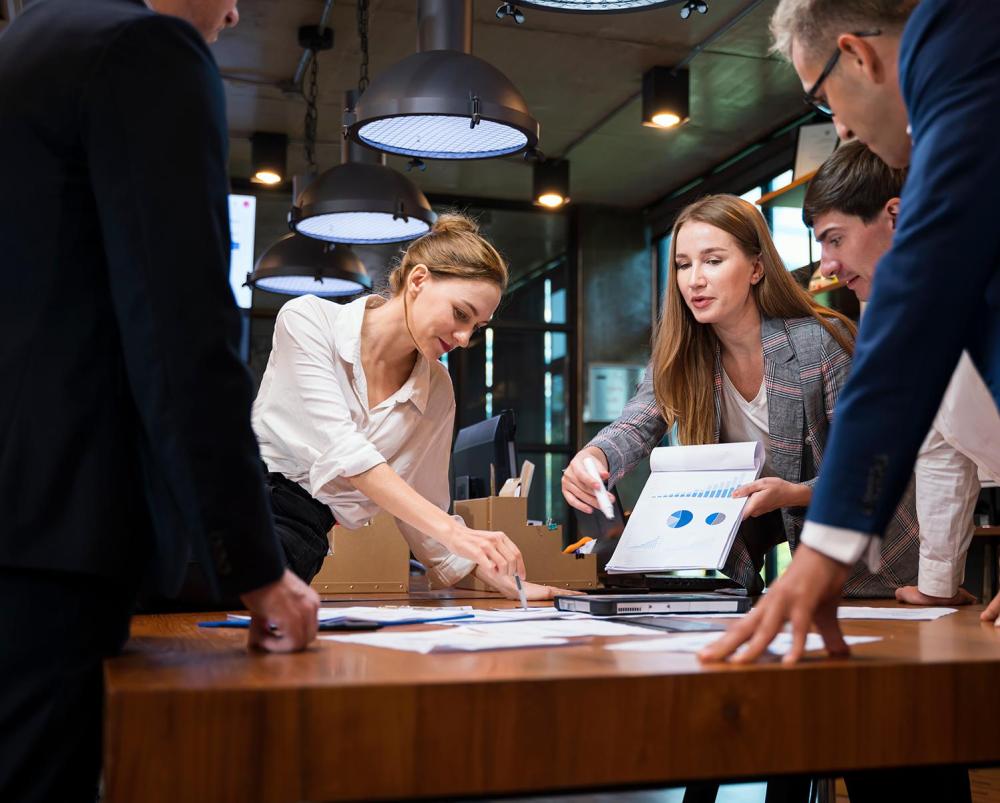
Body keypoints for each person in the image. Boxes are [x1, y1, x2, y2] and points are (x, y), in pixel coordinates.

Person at [0, 0, 319, 800]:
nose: (237, 10)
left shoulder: (37, 37)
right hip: (54, 533)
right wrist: (255, 564)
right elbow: (183, 326)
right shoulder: (145, 49)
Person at [701, 0, 1000, 668]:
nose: (839, 126)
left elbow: (911, 314)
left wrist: (825, 549)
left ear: (857, 55)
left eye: (821, 100)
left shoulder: (958, 49)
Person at [562, 194, 918, 597]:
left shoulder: (819, 344)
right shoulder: (683, 355)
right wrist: (595, 457)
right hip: (790, 577)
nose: (694, 279)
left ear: (756, 268)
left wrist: (797, 492)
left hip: (877, 566)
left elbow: (874, 465)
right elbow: (636, 424)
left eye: (713, 261)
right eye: (683, 264)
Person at [253, 213, 566, 601]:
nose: (466, 338)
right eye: (460, 314)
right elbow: (346, 453)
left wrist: (502, 580)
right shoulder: (308, 320)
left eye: (477, 327)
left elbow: (424, 502)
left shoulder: (437, 388)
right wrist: (459, 533)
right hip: (241, 500)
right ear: (418, 280)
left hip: (301, 537)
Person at [805, 139, 1000, 606]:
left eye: (836, 239)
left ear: (895, 216)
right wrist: (937, 583)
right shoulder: (888, 313)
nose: (826, 267)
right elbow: (938, 449)